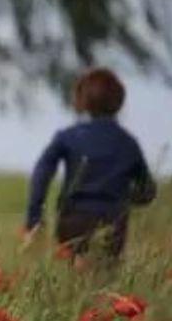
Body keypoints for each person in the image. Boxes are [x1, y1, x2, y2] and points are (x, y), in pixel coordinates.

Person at [24, 68, 156, 258]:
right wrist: (123, 198)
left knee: (75, 275)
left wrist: (34, 219)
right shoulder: (128, 142)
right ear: (119, 101)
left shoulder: (67, 137)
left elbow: (41, 175)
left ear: (82, 100)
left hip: (73, 221)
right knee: (105, 279)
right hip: (113, 221)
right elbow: (147, 191)